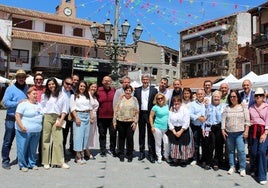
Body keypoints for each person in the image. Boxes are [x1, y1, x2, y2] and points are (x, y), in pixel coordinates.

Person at [2, 69, 28, 170]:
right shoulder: (10, 89)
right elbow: (5, 103)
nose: (21, 79)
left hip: (23, 119)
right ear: (16, 78)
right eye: (19, 77)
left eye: (23, 77)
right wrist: (18, 103)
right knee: (8, 140)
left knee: (22, 141)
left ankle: (20, 158)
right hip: (11, 118)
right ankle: (5, 160)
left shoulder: (27, 88)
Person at [40, 77, 69, 169]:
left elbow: (65, 109)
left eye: (52, 84)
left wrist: (61, 120)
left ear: (56, 84)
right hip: (47, 117)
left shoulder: (62, 95)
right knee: (46, 139)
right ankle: (46, 161)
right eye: (49, 84)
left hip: (57, 118)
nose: (51, 86)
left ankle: (59, 161)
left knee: (58, 140)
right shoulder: (44, 95)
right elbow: (41, 107)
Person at [222, 89, 250, 177]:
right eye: (231, 96)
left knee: (241, 151)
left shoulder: (243, 107)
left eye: (234, 96)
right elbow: (223, 120)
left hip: (240, 133)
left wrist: (246, 131)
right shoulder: (227, 108)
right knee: (230, 151)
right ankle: (232, 166)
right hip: (229, 133)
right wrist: (223, 129)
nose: (232, 98)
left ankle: (242, 168)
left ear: (238, 97)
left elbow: (247, 120)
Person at [15, 87, 43, 172]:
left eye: (36, 94)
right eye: (33, 94)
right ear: (28, 95)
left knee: (33, 149)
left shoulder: (39, 104)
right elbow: (17, 115)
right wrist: (21, 126)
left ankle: (32, 163)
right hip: (24, 130)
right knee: (22, 148)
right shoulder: (23, 104)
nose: (35, 95)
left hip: (36, 131)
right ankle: (22, 165)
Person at [134, 74, 158, 163]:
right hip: (141, 114)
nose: (145, 81)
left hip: (150, 114)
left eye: (146, 79)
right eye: (143, 79)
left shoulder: (154, 90)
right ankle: (141, 152)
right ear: (141, 80)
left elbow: (157, 102)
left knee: (151, 134)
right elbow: (135, 102)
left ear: (149, 80)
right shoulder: (137, 90)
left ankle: (151, 154)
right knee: (141, 134)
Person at [70, 81, 94, 164]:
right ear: (78, 86)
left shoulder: (87, 96)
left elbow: (90, 107)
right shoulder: (74, 96)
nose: (82, 88)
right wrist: (76, 118)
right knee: (78, 137)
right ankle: (78, 156)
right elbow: (72, 108)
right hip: (79, 116)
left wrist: (92, 117)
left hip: (87, 116)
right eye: (81, 86)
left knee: (85, 136)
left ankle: (82, 154)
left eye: (84, 86)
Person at [113, 85, 139, 162]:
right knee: (121, 138)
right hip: (120, 121)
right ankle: (121, 154)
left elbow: (137, 112)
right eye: (126, 90)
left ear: (131, 92)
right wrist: (114, 121)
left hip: (131, 122)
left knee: (130, 139)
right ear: (124, 91)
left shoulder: (134, 99)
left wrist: (135, 122)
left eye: (129, 91)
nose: (128, 92)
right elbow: (116, 110)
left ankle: (129, 154)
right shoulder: (120, 98)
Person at [248, 87, 268, 185]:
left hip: (264, 130)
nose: (258, 97)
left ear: (264, 96)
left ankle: (262, 176)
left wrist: (265, 133)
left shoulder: (267, 107)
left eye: (260, 95)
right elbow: (248, 118)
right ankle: (258, 169)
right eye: (256, 95)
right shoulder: (251, 107)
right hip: (253, 131)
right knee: (254, 152)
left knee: (262, 151)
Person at [167, 96, 194, 167]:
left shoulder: (185, 110)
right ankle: (175, 159)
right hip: (174, 129)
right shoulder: (171, 111)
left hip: (183, 129)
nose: (176, 103)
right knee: (174, 145)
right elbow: (169, 121)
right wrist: (174, 131)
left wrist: (181, 131)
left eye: (178, 101)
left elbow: (187, 122)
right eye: (175, 102)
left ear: (180, 102)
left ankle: (183, 159)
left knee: (184, 145)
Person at [201, 91, 225, 170]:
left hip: (218, 127)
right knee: (209, 146)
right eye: (215, 96)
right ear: (212, 98)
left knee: (218, 145)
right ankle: (208, 162)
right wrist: (203, 128)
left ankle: (216, 162)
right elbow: (204, 118)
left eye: (218, 96)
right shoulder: (208, 106)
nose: (216, 98)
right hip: (209, 127)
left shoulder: (223, 107)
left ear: (220, 98)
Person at [97, 76, 116, 157]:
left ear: (111, 82)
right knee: (102, 134)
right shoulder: (98, 90)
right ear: (102, 81)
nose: (107, 82)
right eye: (105, 80)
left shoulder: (114, 91)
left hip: (112, 117)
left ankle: (112, 149)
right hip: (101, 117)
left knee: (113, 134)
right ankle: (103, 150)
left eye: (108, 81)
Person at [149, 93, 169, 164]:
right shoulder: (155, 107)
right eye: (158, 98)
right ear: (156, 100)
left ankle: (166, 156)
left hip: (166, 128)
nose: (160, 99)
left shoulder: (167, 106)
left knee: (166, 143)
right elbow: (151, 117)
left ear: (164, 99)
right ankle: (159, 157)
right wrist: (152, 126)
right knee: (158, 143)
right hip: (157, 127)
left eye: (161, 98)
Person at [32, 72, 45, 165]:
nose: (38, 81)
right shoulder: (31, 89)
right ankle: (31, 158)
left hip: (43, 117)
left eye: (40, 79)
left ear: (43, 81)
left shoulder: (46, 89)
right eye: (37, 79)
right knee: (32, 139)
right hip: (33, 117)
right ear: (34, 80)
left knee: (42, 139)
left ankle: (41, 159)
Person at [190, 89, 206, 165]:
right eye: (198, 94)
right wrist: (198, 117)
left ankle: (203, 159)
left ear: (204, 95)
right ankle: (195, 159)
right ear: (196, 95)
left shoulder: (207, 104)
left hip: (205, 127)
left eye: (201, 94)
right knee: (195, 143)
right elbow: (190, 114)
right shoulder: (192, 104)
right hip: (195, 126)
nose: (200, 95)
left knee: (204, 143)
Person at [62, 77, 74, 158]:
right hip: (60, 116)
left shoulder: (71, 92)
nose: (69, 86)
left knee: (65, 135)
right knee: (59, 136)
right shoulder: (58, 91)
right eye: (67, 83)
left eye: (71, 84)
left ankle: (62, 152)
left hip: (68, 116)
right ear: (63, 83)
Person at [86, 82, 99, 157]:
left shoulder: (94, 96)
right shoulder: (87, 95)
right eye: (92, 87)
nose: (93, 88)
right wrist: (90, 117)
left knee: (91, 134)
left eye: (95, 87)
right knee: (87, 134)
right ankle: (86, 151)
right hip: (88, 117)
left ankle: (86, 148)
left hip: (94, 116)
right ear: (89, 87)